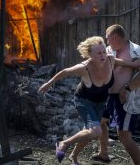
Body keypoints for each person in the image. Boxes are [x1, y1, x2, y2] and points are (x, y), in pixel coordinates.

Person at [38, 36, 140, 165]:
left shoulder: (110, 59)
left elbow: (125, 64)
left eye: (104, 51)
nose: (103, 55)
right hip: (84, 101)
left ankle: (76, 157)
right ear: (89, 54)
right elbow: (64, 72)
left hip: (102, 102)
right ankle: (64, 143)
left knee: (91, 130)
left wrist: (135, 64)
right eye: (98, 53)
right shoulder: (84, 67)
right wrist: (49, 83)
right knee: (95, 131)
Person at [92, 24, 140, 165]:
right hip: (108, 97)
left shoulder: (136, 51)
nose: (107, 42)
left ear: (115, 37)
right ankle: (103, 153)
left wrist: (127, 88)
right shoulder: (108, 50)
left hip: (126, 99)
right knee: (99, 122)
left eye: (108, 39)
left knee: (124, 135)